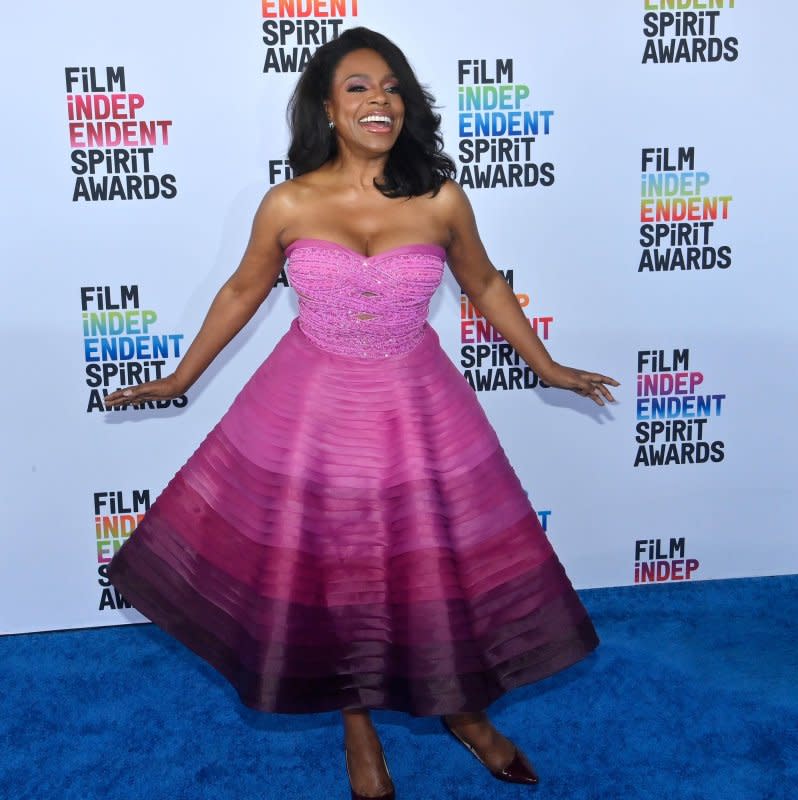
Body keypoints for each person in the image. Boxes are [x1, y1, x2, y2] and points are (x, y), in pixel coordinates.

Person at [105, 27, 619, 800]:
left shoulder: (441, 197)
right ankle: (357, 724)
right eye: (358, 86)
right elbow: (244, 290)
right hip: (310, 408)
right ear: (327, 107)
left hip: (417, 407)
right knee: (334, 570)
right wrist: (180, 375)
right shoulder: (287, 202)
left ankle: (465, 713)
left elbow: (483, 285)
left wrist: (547, 365)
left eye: (392, 86)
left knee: (433, 567)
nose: (379, 97)